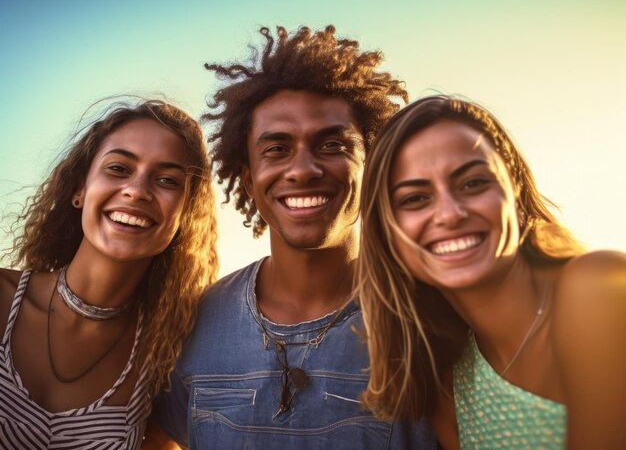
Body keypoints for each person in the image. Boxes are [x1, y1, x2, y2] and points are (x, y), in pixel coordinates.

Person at [150, 26, 436, 449]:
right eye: (277, 149)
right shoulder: (194, 322)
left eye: (331, 144)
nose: (302, 169)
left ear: (372, 167)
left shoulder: (427, 319)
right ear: (247, 180)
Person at [356, 95, 626, 449]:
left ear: (513, 189)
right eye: (415, 199)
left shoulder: (598, 285)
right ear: (388, 232)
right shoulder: (447, 377)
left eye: (473, 183)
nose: (450, 214)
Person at [0, 99, 218, 449]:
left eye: (166, 180)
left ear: (185, 215)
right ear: (79, 190)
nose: (137, 191)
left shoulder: (165, 355)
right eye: (118, 168)